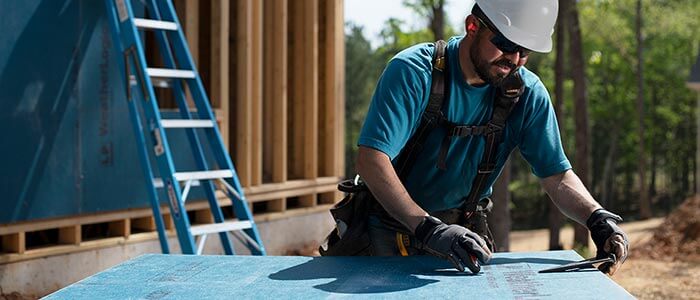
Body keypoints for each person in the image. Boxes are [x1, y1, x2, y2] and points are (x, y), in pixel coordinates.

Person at [353, 0, 629, 274]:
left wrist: (597, 218)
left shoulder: (527, 95)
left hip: (465, 236)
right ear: (472, 26)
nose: (515, 60)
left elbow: (556, 176)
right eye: (507, 45)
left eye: (525, 51)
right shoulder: (414, 72)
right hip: (388, 232)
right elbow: (371, 160)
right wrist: (427, 227)